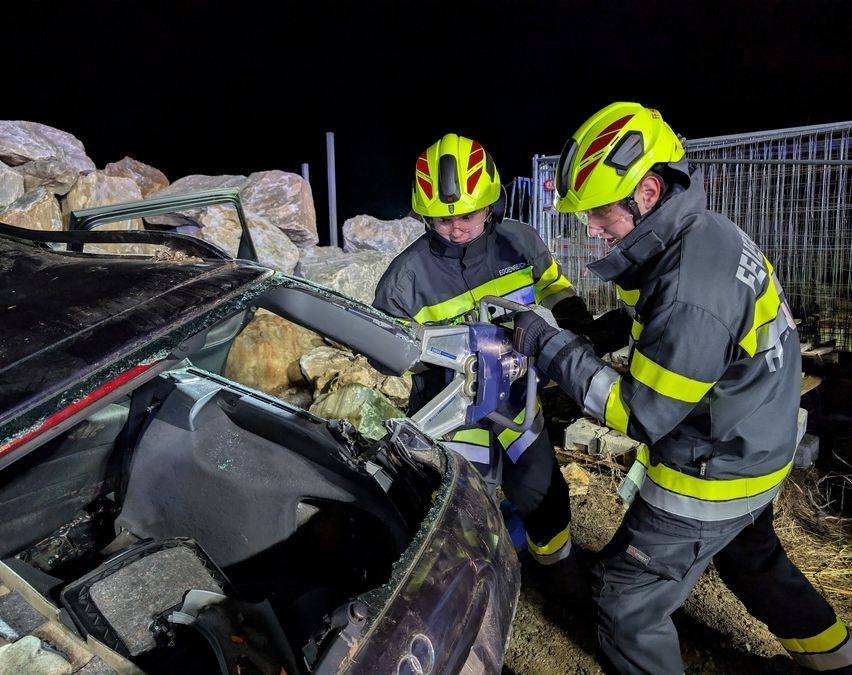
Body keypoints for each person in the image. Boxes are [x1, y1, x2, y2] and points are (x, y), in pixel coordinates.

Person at [511, 102, 852, 674]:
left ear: (645, 191)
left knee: (624, 597)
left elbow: (641, 414)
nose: (591, 228)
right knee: (753, 559)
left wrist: (549, 346)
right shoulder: (701, 233)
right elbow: (654, 314)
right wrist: (600, 332)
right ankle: (838, 662)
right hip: (757, 442)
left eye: (599, 213)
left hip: (713, 470)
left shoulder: (690, 289)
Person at [373, 133, 617, 582]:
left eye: (468, 213)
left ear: (492, 202)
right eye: (443, 221)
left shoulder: (520, 243)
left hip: (521, 403)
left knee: (544, 494)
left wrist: (575, 319)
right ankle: (473, 588)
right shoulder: (403, 279)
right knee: (463, 514)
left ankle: (559, 576)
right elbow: (384, 356)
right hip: (453, 419)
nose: (458, 228)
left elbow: (552, 286)